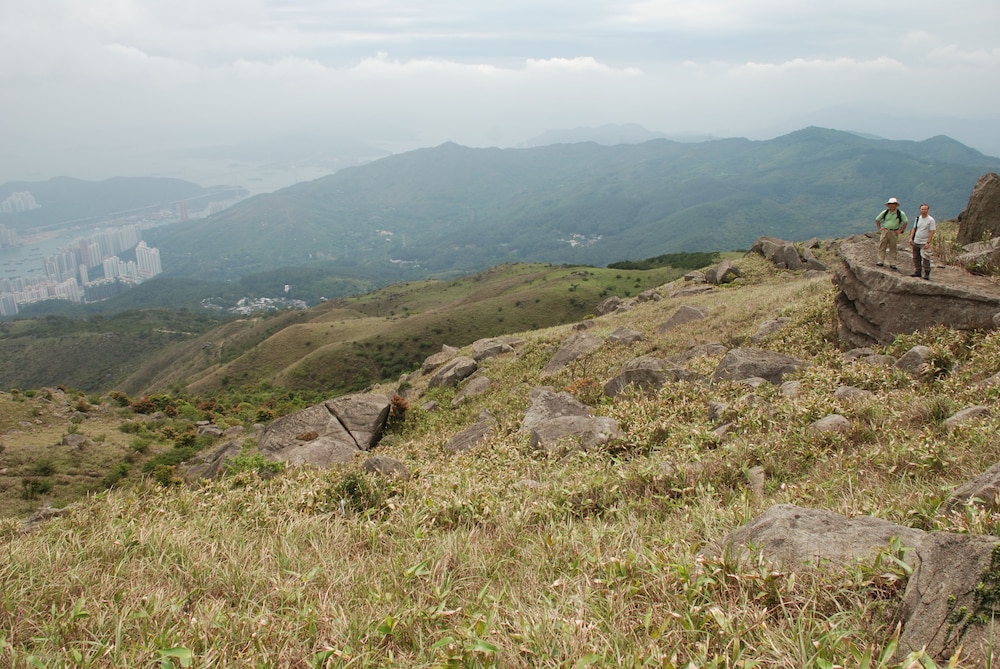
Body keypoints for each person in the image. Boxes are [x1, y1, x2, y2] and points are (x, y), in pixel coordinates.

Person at [875, 197, 908, 269]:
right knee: (882, 246)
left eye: (893, 204)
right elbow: (877, 219)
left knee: (893, 248)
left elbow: (905, 222)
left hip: (894, 231)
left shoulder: (900, 213)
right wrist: (880, 228)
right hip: (885, 231)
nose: (892, 205)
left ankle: (893, 263)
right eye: (890, 204)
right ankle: (880, 261)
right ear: (888, 205)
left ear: (896, 205)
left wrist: (901, 230)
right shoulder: (885, 212)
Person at [909, 203, 936, 280]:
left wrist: (928, 242)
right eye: (922, 209)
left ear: (928, 210)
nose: (923, 211)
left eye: (925, 209)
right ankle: (918, 271)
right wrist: (911, 238)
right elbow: (914, 228)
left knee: (925, 258)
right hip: (916, 240)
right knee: (916, 257)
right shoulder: (917, 218)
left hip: (924, 242)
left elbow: (932, 231)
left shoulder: (931, 220)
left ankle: (927, 273)